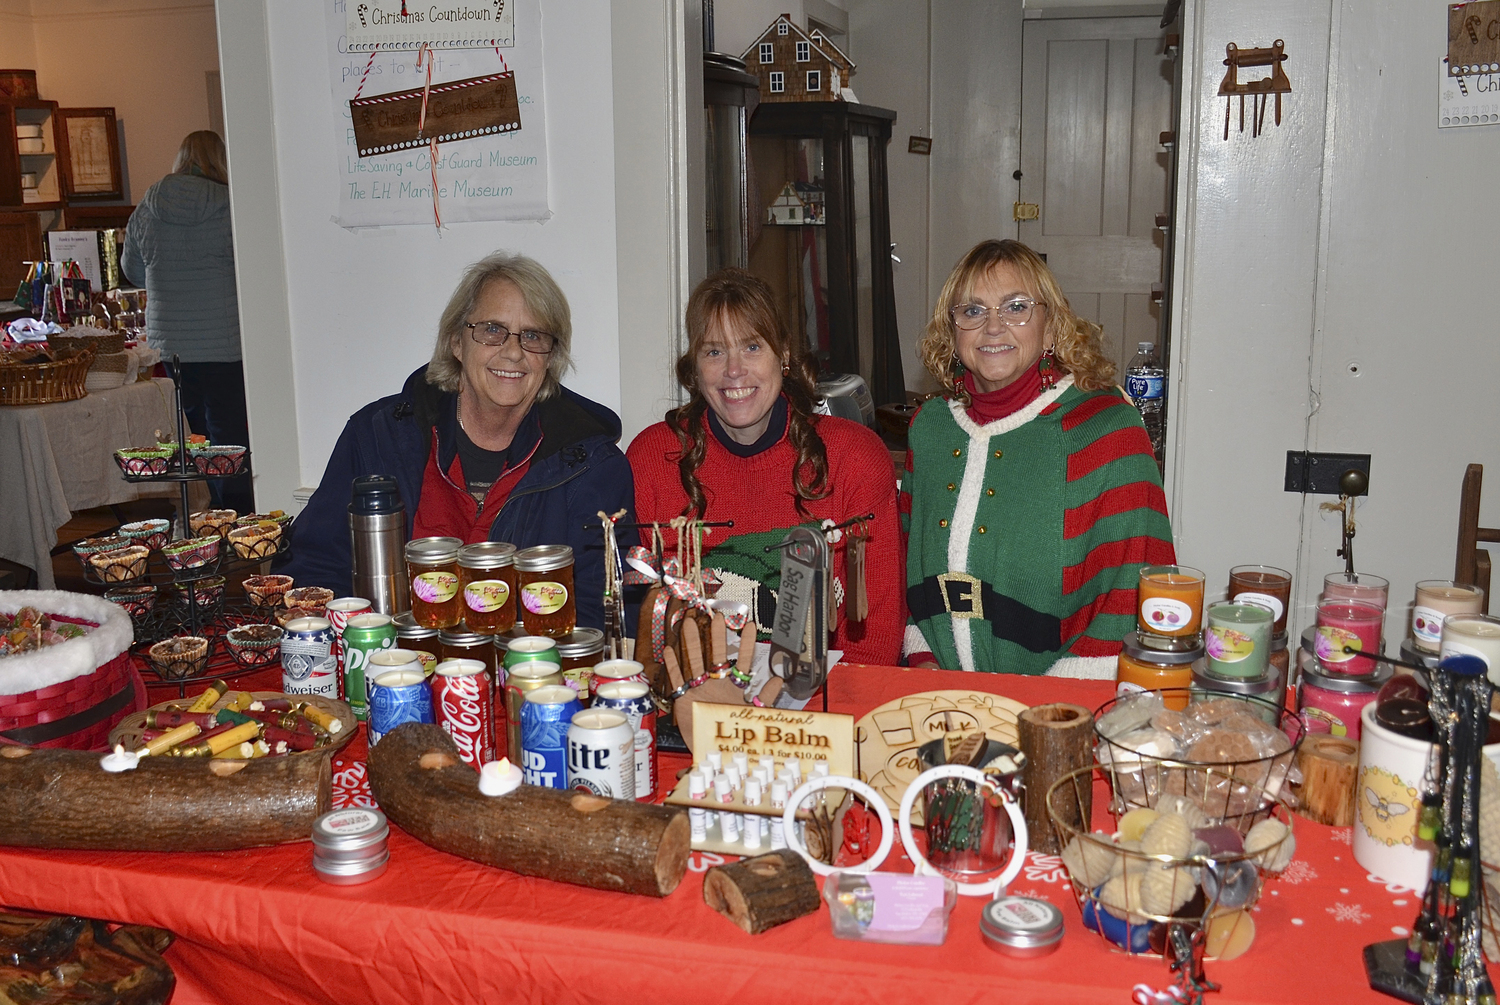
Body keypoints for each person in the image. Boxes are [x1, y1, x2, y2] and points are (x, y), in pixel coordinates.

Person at [281, 252, 634, 631]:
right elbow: (315, 566)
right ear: (456, 342)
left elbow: (604, 610)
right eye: (492, 329)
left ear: (550, 358)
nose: (513, 352)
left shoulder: (592, 466)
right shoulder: (377, 437)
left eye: (533, 336)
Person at [902, 239, 1175, 677]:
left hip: (1066, 701)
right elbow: (904, 560)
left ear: (1050, 328)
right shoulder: (931, 429)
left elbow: (1135, 590)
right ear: (953, 333)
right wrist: (922, 657)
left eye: (1017, 307)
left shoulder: (1105, 429)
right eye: (972, 310)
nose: (993, 326)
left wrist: (1053, 703)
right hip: (942, 697)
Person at [627, 268, 903, 666]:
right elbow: (641, 632)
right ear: (695, 367)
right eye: (714, 351)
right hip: (695, 694)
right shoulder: (652, 458)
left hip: (823, 697)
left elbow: (875, 637)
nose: (733, 370)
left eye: (752, 347)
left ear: (784, 354)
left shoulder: (856, 457)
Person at [122, 130, 252, 512]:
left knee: (187, 435)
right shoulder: (230, 205)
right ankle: (237, 516)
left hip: (170, 346)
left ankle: (198, 514)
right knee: (229, 436)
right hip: (224, 343)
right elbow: (250, 268)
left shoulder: (148, 206)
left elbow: (133, 271)